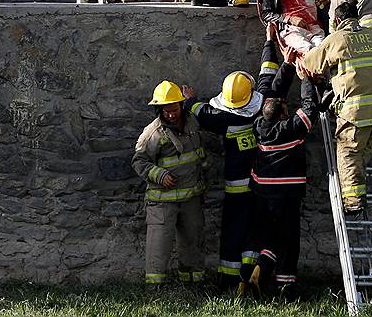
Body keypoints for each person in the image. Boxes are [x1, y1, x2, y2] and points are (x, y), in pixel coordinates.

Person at [238, 31, 318, 300]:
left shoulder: (260, 125)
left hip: (262, 192)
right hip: (287, 194)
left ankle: (258, 269)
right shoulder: (291, 129)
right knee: (289, 239)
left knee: (270, 236)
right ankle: (286, 285)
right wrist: (305, 77)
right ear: (285, 113)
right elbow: (310, 107)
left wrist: (287, 64)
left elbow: (275, 94)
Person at [302, 2, 372, 214]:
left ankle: (353, 201)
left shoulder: (337, 38)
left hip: (356, 111)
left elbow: (311, 64)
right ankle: (358, 193)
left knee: (348, 153)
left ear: (336, 21)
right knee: (362, 150)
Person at [182, 68, 264, 290]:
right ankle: (251, 273)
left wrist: (189, 100)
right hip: (259, 184)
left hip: (236, 188)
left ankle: (229, 281)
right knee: (255, 229)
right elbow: (267, 77)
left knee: (233, 231)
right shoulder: (262, 108)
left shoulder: (223, 118)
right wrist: (270, 42)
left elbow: (202, 111)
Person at [132, 81, 208, 289]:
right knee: (159, 245)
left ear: (181, 106)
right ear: (159, 110)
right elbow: (139, 161)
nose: (171, 115)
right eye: (166, 112)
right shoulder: (152, 133)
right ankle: (154, 287)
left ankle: (194, 283)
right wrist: (159, 175)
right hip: (162, 201)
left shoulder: (193, 123)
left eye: (174, 110)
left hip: (191, 198)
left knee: (193, 241)